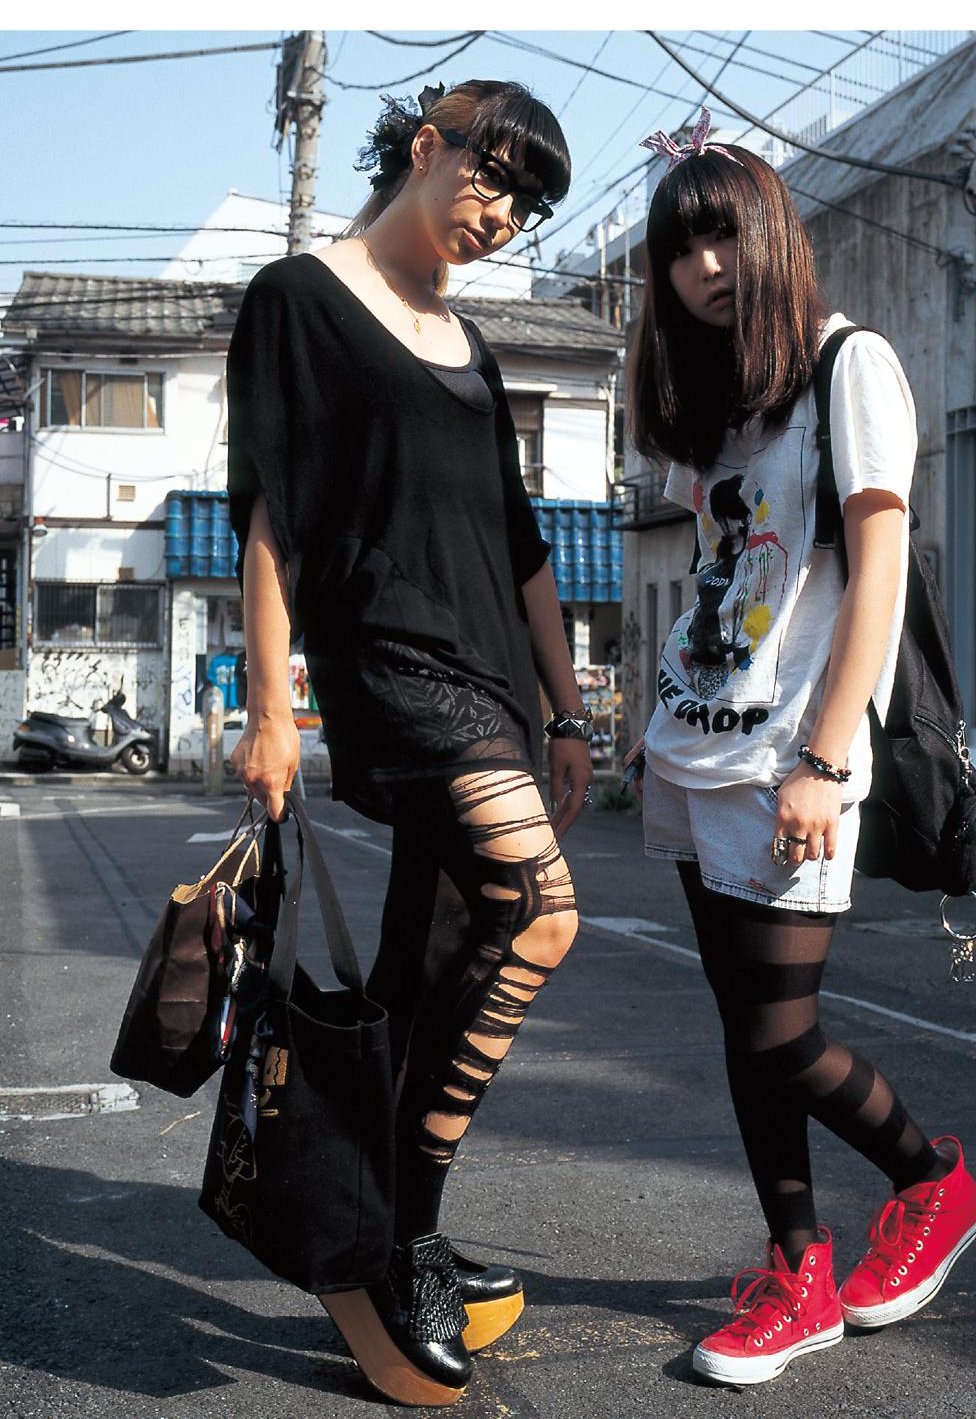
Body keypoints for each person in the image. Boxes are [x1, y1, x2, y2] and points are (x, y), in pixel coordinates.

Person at [226, 80, 591, 1407]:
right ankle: (402, 1241)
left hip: (494, 686)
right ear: (427, 146)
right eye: (493, 177)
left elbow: (524, 543)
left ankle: (372, 1217)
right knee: (541, 911)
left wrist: (566, 707)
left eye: (528, 204)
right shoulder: (300, 299)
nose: (504, 215)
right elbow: (271, 514)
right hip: (391, 667)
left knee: (431, 965)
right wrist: (273, 710)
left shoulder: (469, 344)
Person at [624, 113, 976, 1390]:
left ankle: (932, 1182)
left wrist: (827, 763)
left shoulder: (850, 365)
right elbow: (729, 575)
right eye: (681, 251)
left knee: (782, 1033)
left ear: (774, 235)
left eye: (725, 237)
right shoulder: (723, 405)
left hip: (793, 761)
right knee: (747, 1031)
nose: (706, 267)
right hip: (697, 750)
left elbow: (879, 571)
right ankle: (800, 1272)